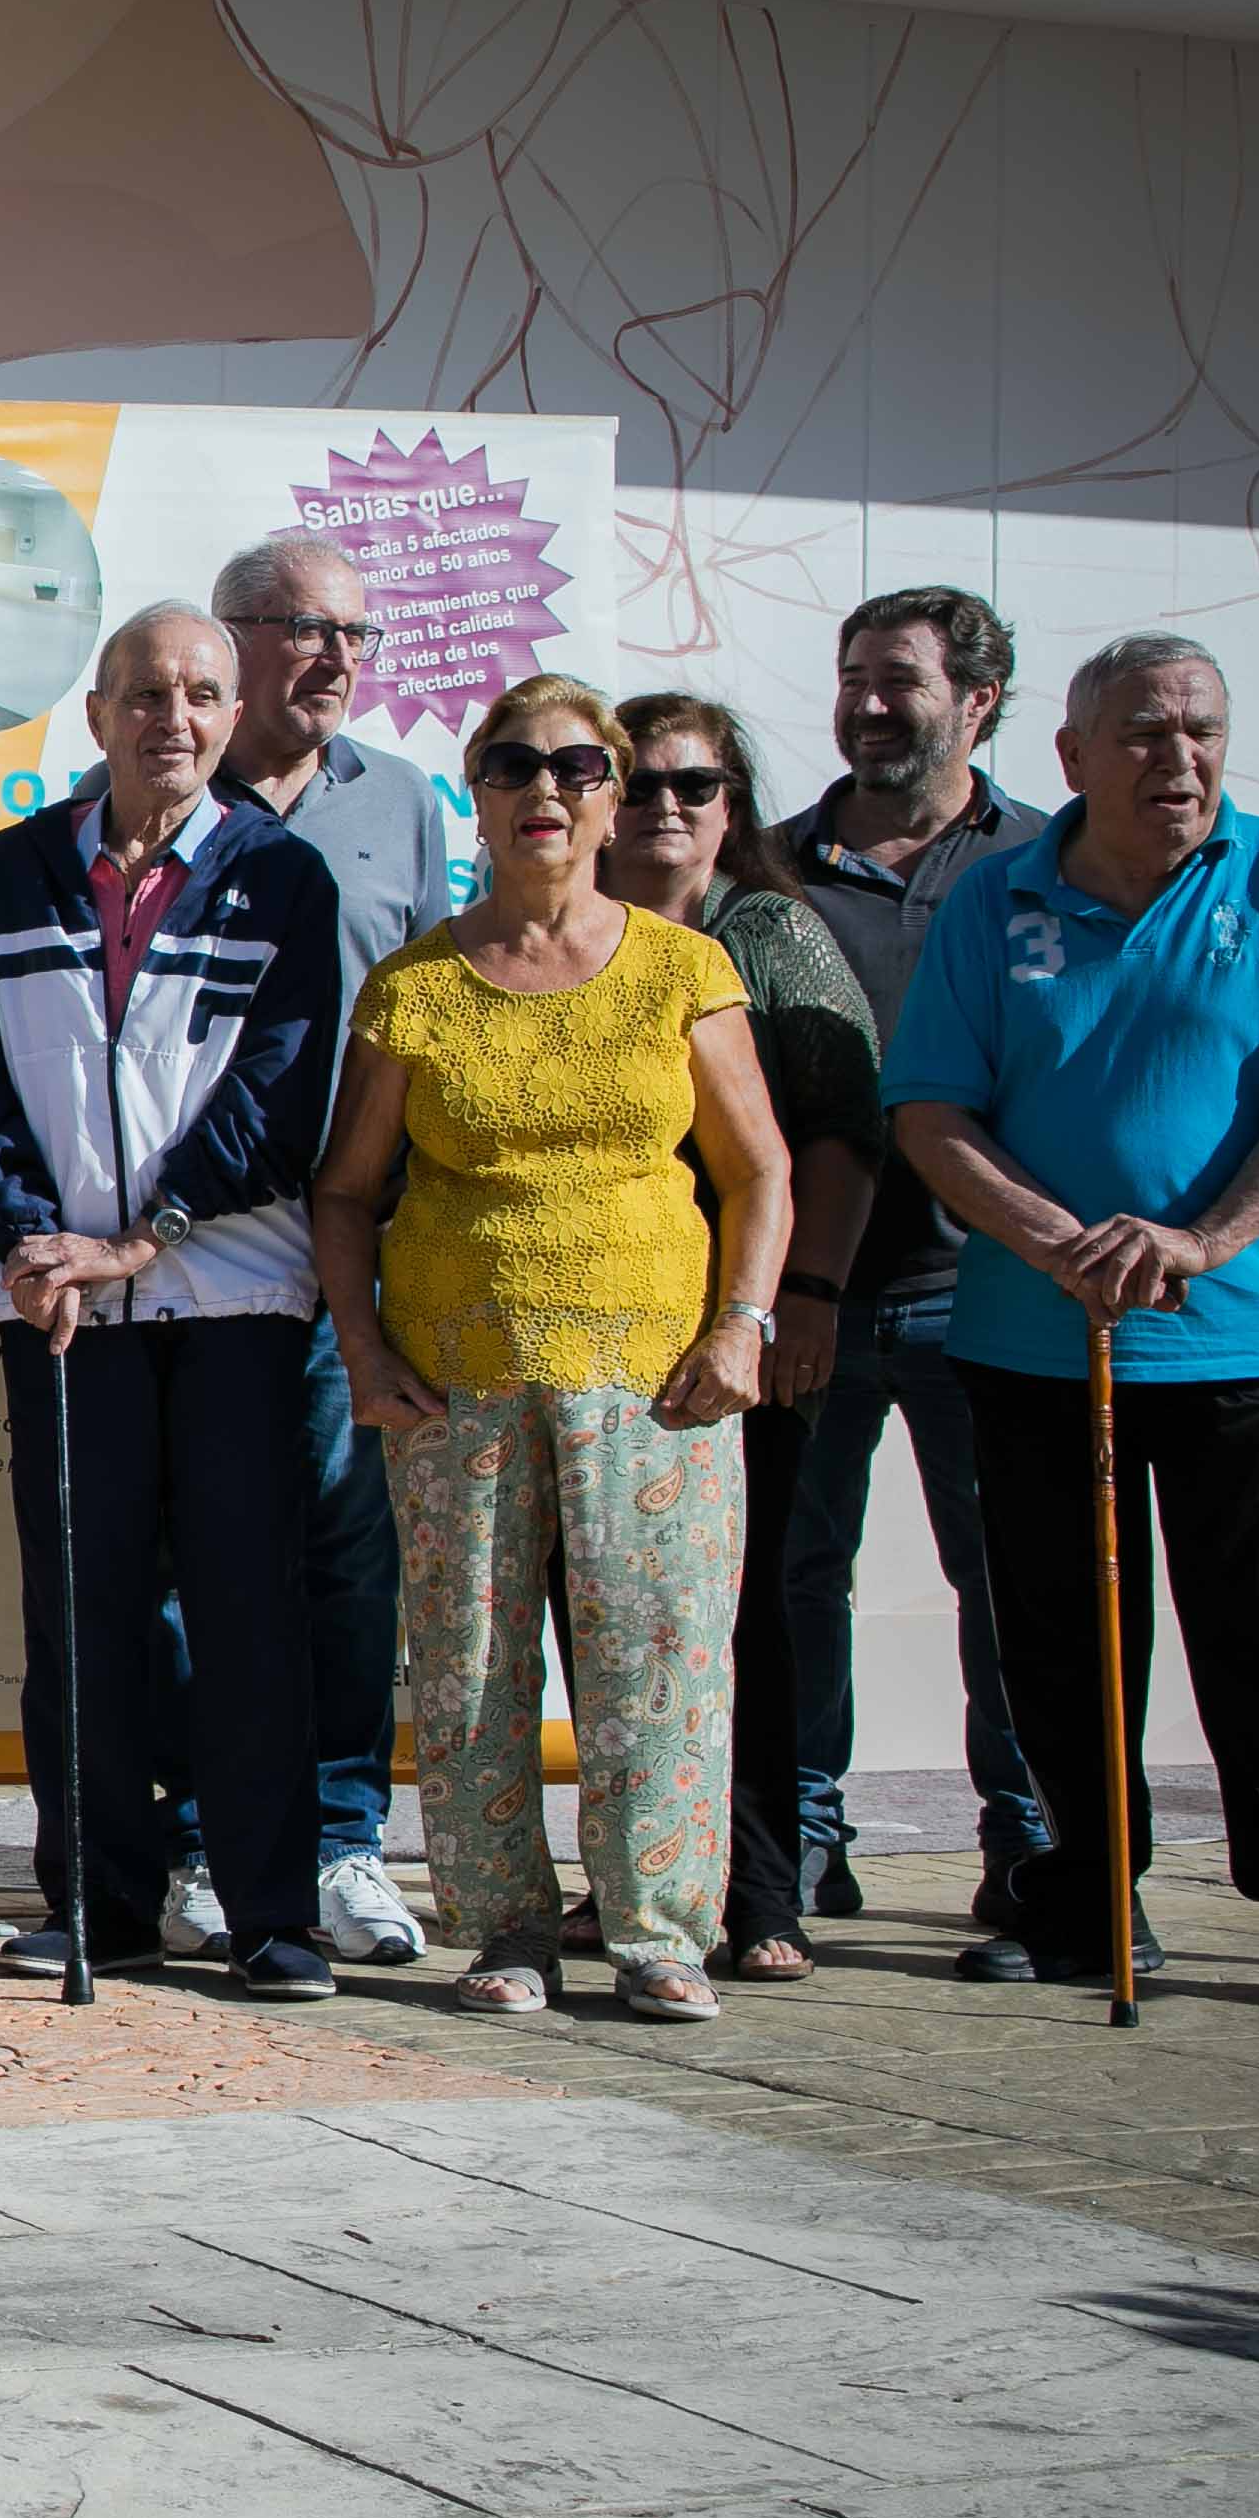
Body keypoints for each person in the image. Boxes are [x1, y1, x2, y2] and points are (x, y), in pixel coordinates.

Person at [882, 635, 1259, 2017]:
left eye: (1198, 732)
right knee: (1058, 1641)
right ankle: (1084, 1898)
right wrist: (1061, 1242)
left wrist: (1201, 1239)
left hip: (1238, 1338)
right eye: (1142, 735)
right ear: (1070, 756)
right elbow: (932, 1111)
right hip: (1037, 1339)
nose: (1176, 759)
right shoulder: (996, 904)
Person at [317, 674, 791, 2022]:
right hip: (456, 1372)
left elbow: (757, 1171)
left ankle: (657, 1935)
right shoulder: (418, 983)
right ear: (478, 787)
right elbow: (345, 1191)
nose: (548, 792)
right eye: (517, 766)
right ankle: (507, 1931)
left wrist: (746, 1324)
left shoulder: (682, 968)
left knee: (661, 1653)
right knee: (469, 1665)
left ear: (614, 793)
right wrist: (361, 1346)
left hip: (656, 1377)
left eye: (582, 769)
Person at [0, 607, 343, 1998]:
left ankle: (272, 1914)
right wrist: (36, 1239)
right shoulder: (13, 874)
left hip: (231, 1300)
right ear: (95, 714)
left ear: (234, 720)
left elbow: (284, 1101)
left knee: (243, 1618)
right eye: (146, 693)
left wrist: (145, 1238)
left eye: (203, 695)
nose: (174, 717)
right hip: (59, 1305)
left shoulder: (284, 876)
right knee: (81, 1615)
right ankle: (98, 1902)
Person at [191, 532, 455, 1970]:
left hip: (363, 1247)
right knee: (195, 1556)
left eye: (356, 630)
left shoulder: (402, 802)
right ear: (233, 640)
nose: (339, 656)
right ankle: (193, 1846)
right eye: (306, 627)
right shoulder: (156, 791)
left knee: (349, 1554)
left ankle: (347, 1841)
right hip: (197, 1249)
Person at [779, 587, 1057, 1940]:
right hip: (800, 1297)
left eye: (900, 680)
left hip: (987, 1294)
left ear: (979, 701)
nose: (869, 703)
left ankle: (1028, 1847)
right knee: (789, 1579)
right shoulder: (767, 868)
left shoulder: (1047, 868)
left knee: (1005, 1584)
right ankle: (801, 1832)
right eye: (853, 677)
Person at [604, 693, 880, 1987]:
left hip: (746, 1334)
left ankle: (761, 1892)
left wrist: (799, 1299)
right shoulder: (561, 941)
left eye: (696, 786)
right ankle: (633, 1892)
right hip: (600, 1338)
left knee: (743, 1613)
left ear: (734, 805)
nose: (666, 807)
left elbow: (838, 1135)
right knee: (609, 1622)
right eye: (641, 782)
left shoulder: (768, 934)